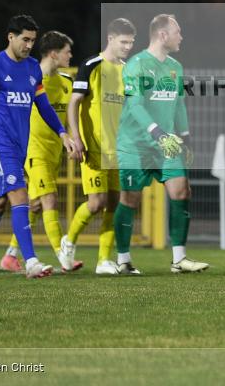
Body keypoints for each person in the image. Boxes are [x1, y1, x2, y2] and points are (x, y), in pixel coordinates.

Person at [0, 15, 79, 279]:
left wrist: (62, 132)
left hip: (20, 147)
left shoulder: (33, 68)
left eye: (32, 40)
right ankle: (31, 261)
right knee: (20, 196)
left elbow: (43, 105)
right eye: (25, 39)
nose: (29, 45)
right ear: (10, 37)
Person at [113, 14, 208, 274]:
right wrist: (157, 133)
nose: (181, 37)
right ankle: (123, 260)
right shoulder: (136, 65)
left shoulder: (176, 66)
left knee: (182, 192)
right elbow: (134, 105)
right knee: (130, 199)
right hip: (136, 145)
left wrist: (186, 139)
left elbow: (178, 104)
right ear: (163, 35)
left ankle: (179, 259)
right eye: (178, 32)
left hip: (167, 145)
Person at [0, 31, 83, 273]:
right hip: (33, 152)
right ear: (54, 54)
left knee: (34, 205)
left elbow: (69, 116)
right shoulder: (28, 79)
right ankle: (63, 257)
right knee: (50, 200)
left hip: (53, 151)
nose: (71, 55)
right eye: (67, 51)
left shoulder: (67, 83)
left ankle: (10, 255)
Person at [62, 18, 136, 275]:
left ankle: (104, 260)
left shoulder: (128, 70)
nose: (128, 47)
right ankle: (68, 240)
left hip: (119, 150)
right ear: (111, 39)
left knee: (114, 204)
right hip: (93, 146)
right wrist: (75, 136)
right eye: (124, 42)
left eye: (131, 42)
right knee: (96, 203)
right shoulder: (92, 65)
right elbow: (74, 103)